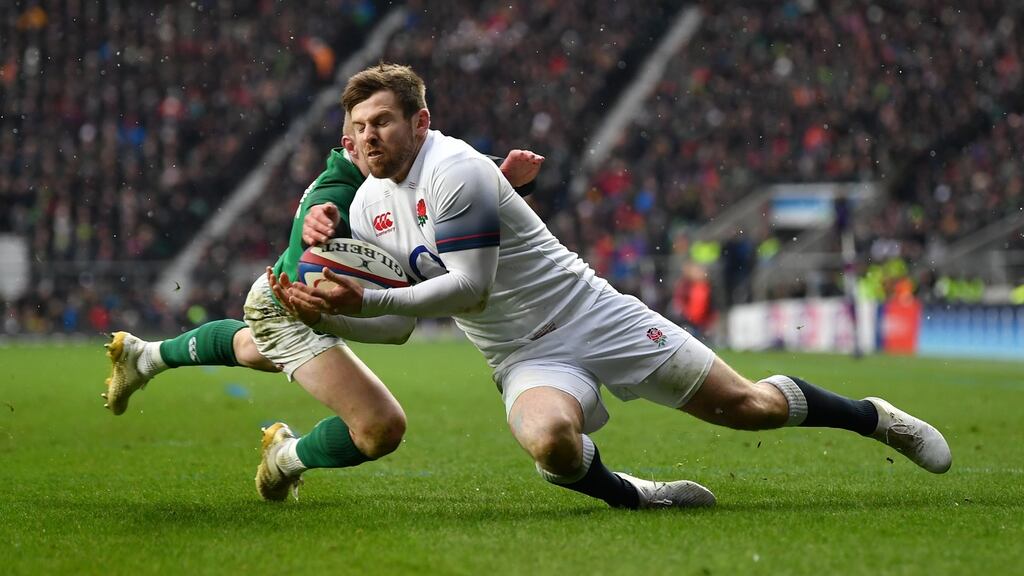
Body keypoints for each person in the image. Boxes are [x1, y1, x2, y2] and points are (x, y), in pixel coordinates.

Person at [277, 63, 952, 511]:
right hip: (520, 356)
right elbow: (397, 326)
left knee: (751, 408)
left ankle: (875, 418)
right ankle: (635, 496)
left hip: (592, 314)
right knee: (551, 443)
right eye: (359, 127)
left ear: (420, 122)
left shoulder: (455, 168)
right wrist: (330, 318)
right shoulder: (368, 206)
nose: (368, 137)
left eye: (383, 122)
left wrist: (363, 298)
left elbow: (466, 289)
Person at [102, 114, 544, 501]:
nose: (375, 143)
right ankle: (284, 457)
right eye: (362, 134)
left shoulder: (402, 172)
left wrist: (500, 178)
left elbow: (446, 194)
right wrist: (321, 218)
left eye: (384, 129)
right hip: (292, 307)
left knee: (253, 352)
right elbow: (324, 206)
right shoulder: (341, 184)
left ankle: (147, 356)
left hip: (299, 296)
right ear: (348, 145)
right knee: (380, 427)